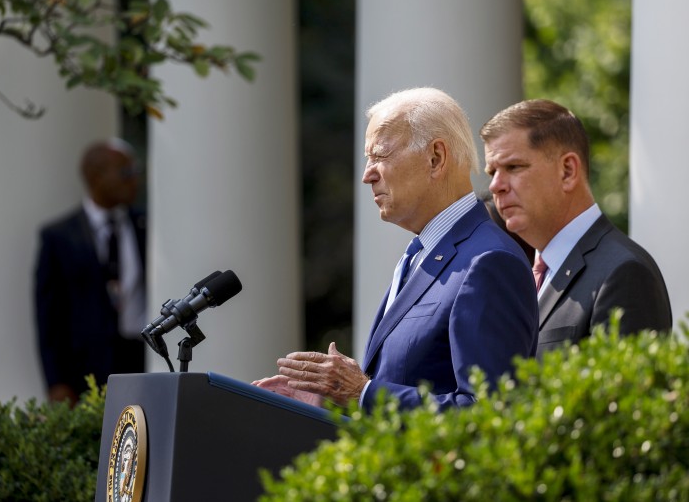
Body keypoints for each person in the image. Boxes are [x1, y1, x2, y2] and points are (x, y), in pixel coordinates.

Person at [254, 87, 539, 411]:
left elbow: (489, 413)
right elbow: (404, 382)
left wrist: (362, 393)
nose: (366, 175)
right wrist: (331, 399)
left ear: (436, 158)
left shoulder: (489, 261)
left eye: (379, 155)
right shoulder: (419, 255)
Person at [480, 99, 672, 360]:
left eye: (513, 167)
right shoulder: (522, 277)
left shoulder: (624, 272)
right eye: (492, 172)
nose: (496, 186)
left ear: (567, 170)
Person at [35, 138, 147, 405]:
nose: (134, 181)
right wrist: (56, 383)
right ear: (97, 177)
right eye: (125, 172)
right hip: (84, 373)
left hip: (142, 360)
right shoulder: (59, 237)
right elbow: (48, 318)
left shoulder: (147, 226)